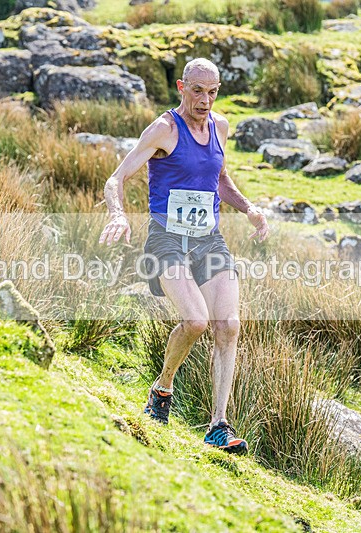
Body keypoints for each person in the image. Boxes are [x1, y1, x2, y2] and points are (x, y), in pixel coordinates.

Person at [99, 58, 269, 454]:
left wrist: (249, 209)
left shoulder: (220, 127)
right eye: (197, 90)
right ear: (181, 86)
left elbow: (220, 178)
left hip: (208, 240)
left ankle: (218, 426)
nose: (205, 100)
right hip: (166, 240)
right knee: (195, 321)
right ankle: (163, 387)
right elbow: (117, 177)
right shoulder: (164, 129)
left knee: (228, 325)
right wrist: (118, 214)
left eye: (213, 91)